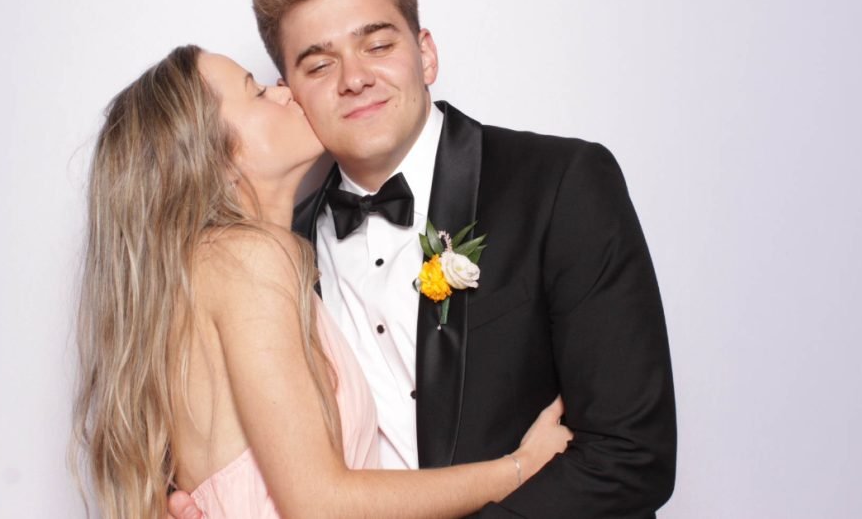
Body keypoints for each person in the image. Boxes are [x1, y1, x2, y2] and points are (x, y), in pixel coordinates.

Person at [169, 0, 676, 518]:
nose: (354, 79)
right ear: (290, 92)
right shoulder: (274, 252)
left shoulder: (561, 184)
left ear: (426, 55)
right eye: (318, 65)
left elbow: (631, 454)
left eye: (378, 45)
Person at [72, 44, 573, 519]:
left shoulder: (222, 268)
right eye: (256, 91)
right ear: (218, 160)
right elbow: (322, 505)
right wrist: (519, 469)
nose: (285, 91)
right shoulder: (247, 259)